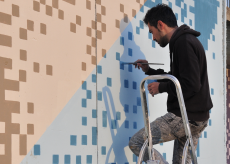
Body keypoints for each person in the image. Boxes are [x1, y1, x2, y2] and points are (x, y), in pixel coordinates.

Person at [128, 4, 213, 164]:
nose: (153, 37)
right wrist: (150, 70)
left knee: (137, 142)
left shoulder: (183, 42)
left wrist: (161, 87)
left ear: (161, 24)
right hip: (197, 117)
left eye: (152, 31)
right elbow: (178, 77)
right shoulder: (184, 41)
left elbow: (191, 84)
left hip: (185, 116)